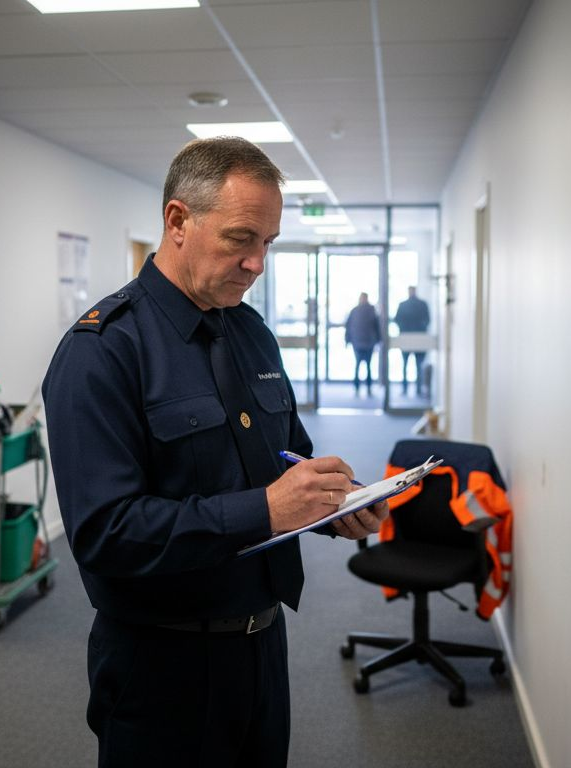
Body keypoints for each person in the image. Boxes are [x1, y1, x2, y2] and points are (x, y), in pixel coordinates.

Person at [42, 136, 389, 768]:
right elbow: (102, 532)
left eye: (268, 244)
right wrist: (265, 510)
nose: (257, 263)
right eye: (240, 238)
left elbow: (290, 461)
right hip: (161, 664)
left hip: (262, 644)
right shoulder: (103, 351)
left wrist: (335, 505)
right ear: (178, 221)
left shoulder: (250, 332)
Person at [393, 286, 430, 395]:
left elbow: (397, 320)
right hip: (417, 338)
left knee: (411, 365)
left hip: (408, 339)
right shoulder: (422, 304)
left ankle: (408, 388)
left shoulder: (404, 305)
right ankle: (414, 389)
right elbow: (427, 320)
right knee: (412, 365)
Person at [344, 292, 381, 396]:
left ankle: (360, 387)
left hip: (361, 342)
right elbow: (377, 327)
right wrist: (378, 340)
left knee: (361, 366)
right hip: (365, 342)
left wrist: (348, 340)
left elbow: (348, 326)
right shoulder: (371, 310)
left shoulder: (355, 310)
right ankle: (364, 387)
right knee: (364, 366)